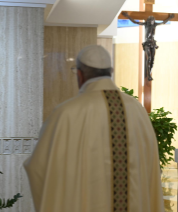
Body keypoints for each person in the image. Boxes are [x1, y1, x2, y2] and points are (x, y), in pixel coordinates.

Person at [24, 45, 164, 212]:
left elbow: (38, 168)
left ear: (80, 75)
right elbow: (150, 169)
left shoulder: (66, 113)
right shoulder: (137, 110)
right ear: (110, 71)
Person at [122, 12, 174, 81]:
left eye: (151, 21)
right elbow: (135, 22)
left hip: (153, 43)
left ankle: (149, 73)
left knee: (152, 60)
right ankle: (148, 75)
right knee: (149, 58)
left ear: (153, 21)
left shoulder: (155, 24)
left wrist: (170, 18)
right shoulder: (146, 24)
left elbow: (163, 22)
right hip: (147, 44)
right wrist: (128, 16)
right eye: (149, 21)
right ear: (148, 21)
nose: (150, 23)